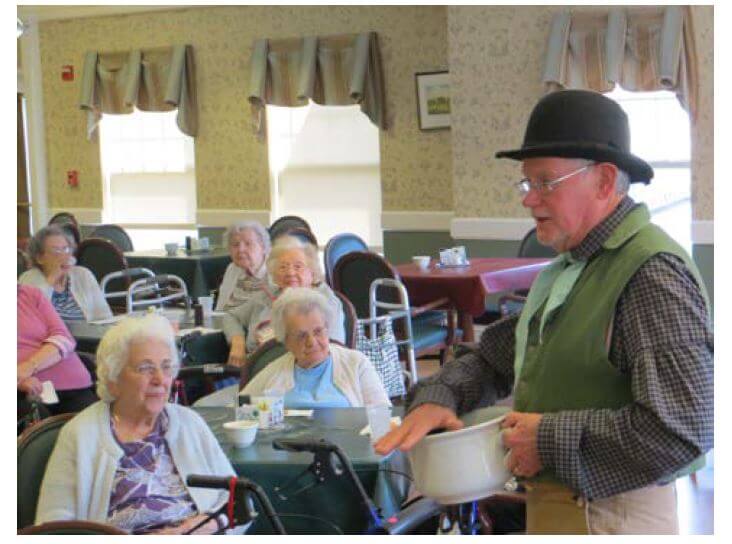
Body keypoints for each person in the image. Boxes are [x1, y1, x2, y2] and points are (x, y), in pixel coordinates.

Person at [375, 90, 713, 535]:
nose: (528, 199)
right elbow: (496, 357)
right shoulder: (570, 268)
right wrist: (441, 397)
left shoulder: (650, 275)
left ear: (604, 181)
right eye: (526, 183)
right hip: (562, 510)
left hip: (612, 519)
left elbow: (684, 429)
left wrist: (547, 440)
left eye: (545, 182)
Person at [35, 314, 237, 534]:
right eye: (145, 368)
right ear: (113, 379)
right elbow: (52, 529)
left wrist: (209, 525)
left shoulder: (189, 423)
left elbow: (237, 501)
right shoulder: (81, 434)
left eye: (167, 366)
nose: (160, 379)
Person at [242, 287, 389, 408]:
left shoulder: (356, 363)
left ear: (327, 328)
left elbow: (383, 415)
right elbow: (241, 408)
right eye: (301, 335)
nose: (311, 342)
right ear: (286, 341)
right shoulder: (275, 371)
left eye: (318, 331)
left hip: (346, 442)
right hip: (289, 442)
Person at [222, 235, 345, 366]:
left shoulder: (325, 303)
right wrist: (237, 341)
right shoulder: (264, 297)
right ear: (274, 274)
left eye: (298, 267)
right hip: (255, 372)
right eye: (283, 267)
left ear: (312, 272)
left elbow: (333, 350)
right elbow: (231, 316)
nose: (290, 273)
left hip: (303, 374)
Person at [17, 284, 98, 421]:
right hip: (23, 394)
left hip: (71, 381)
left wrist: (29, 366)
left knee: (96, 431)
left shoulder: (30, 294)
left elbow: (64, 338)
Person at [19, 225, 113, 322]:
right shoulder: (29, 279)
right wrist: (52, 278)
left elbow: (104, 316)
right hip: (47, 336)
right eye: (56, 250)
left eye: (66, 249)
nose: (64, 255)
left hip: (86, 336)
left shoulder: (83, 275)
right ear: (40, 258)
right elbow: (27, 319)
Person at [216, 220, 271, 312]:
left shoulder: (274, 271)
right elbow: (220, 308)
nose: (241, 250)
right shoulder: (232, 269)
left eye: (248, 244)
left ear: (263, 247)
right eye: (235, 245)